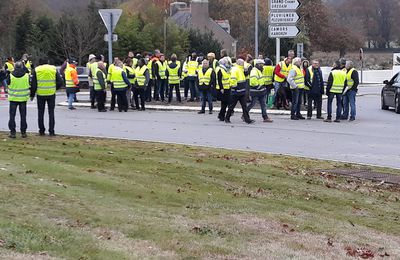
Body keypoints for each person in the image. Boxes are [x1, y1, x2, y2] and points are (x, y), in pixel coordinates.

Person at [31, 58, 64, 136]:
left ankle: (41, 131)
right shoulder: (53, 68)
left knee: (40, 113)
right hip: (51, 94)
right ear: (48, 62)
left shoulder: (37, 70)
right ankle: (51, 131)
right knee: (51, 113)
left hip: (40, 94)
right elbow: (60, 81)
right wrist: (55, 88)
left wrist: (32, 95)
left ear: (40, 63)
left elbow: (33, 84)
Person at [225, 59, 253, 124]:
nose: (244, 65)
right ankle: (227, 118)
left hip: (242, 91)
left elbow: (245, 78)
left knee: (244, 106)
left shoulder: (240, 69)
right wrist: (235, 88)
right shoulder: (235, 69)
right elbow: (233, 80)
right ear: (240, 63)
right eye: (243, 63)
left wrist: (246, 72)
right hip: (236, 91)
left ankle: (247, 119)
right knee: (232, 106)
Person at [7, 61, 30, 138]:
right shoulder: (26, 75)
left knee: (12, 116)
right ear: (22, 67)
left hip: (13, 99)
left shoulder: (10, 75)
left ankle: (12, 132)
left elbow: (7, 83)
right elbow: (28, 71)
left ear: (15, 67)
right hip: (23, 99)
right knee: (23, 116)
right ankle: (23, 132)